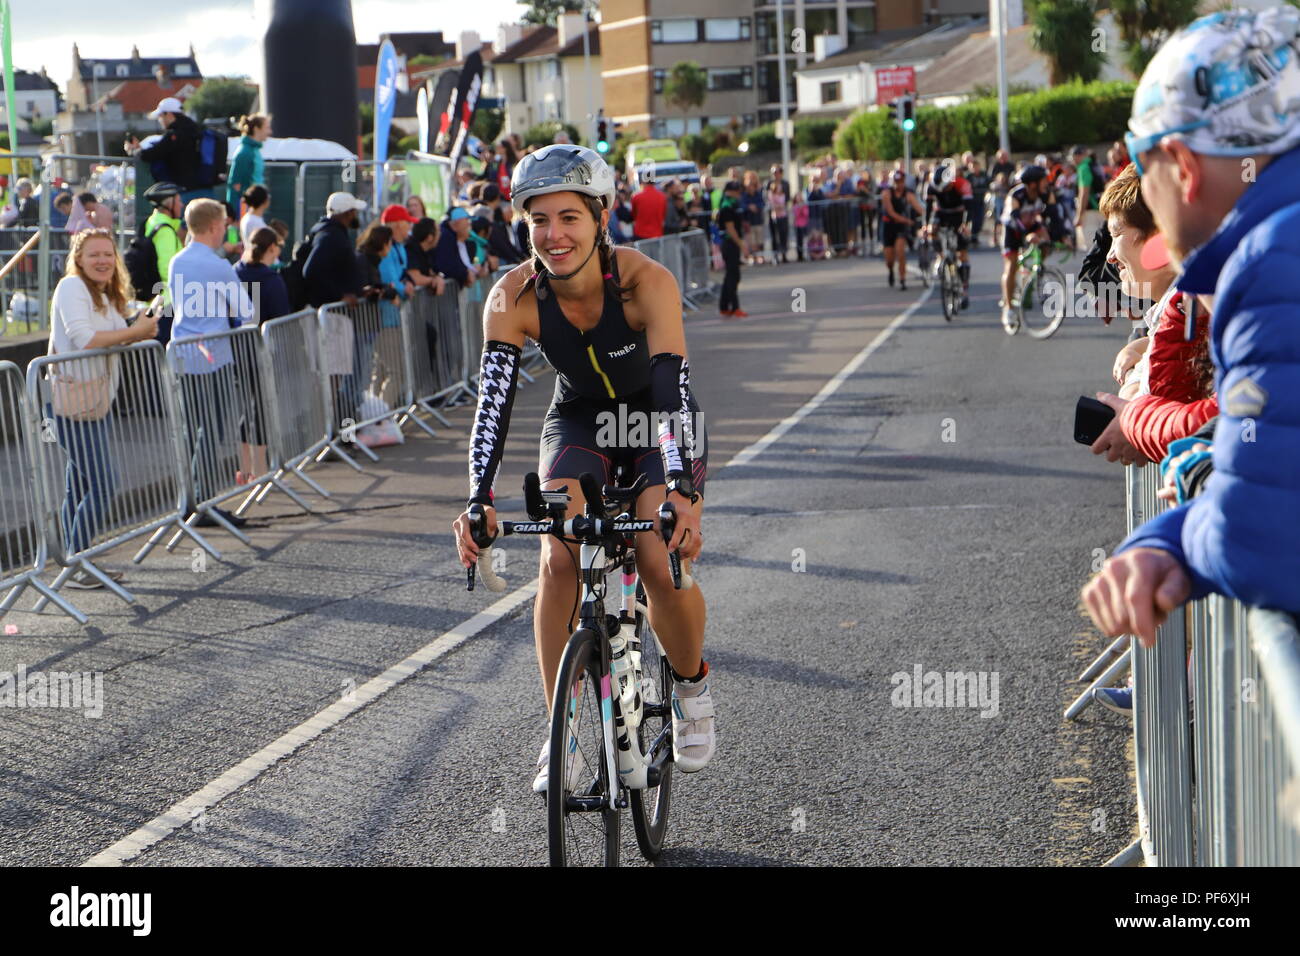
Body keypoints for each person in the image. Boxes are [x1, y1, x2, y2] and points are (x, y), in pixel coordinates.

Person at [450, 145, 715, 792]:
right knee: (558, 554)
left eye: (569, 217)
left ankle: (690, 685)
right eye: (538, 220)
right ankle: (562, 730)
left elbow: (670, 389)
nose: (553, 234)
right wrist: (478, 496)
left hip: (654, 420)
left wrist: (682, 491)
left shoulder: (645, 280)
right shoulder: (511, 295)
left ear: (601, 217)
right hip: (579, 421)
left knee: (657, 560)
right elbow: (493, 405)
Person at [1083, 6, 1300, 644]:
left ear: (1181, 164)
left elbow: (1259, 535)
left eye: (1144, 176)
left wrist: (1162, 544)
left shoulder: (1268, 263)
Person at [46, 229, 160, 588]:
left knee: (78, 485)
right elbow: (86, 339)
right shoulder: (72, 288)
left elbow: (117, 329)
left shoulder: (102, 295)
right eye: (94, 255)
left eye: (108, 255)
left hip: (95, 401)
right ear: (78, 259)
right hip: (69, 402)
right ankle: (77, 561)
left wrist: (142, 320)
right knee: (105, 482)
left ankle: (74, 558)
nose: (103, 261)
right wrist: (136, 333)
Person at [168, 198, 255, 529]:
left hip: (183, 353)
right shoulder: (218, 265)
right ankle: (201, 502)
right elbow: (245, 310)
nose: (227, 230)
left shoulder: (178, 261)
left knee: (193, 429)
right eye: (225, 225)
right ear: (215, 226)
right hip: (214, 356)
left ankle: (193, 500)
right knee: (213, 428)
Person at [999, 164, 1053, 331]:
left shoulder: (1045, 194)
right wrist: (1026, 235)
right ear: (1032, 184)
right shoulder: (1016, 195)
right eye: (1043, 180)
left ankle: (1038, 271)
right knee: (1012, 265)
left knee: (1046, 241)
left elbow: (1054, 214)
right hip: (1013, 229)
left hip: (1030, 223)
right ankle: (1008, 309)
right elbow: (1014, 219)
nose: (1046, 183)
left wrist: (1064, 235)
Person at [127, 97, 203, 196]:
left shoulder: (174, 134)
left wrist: (134, 151)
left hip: (184, 190)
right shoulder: (194, 129)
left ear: (169, 114)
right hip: (200, 187)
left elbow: (152, 154)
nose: (159, 120)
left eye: (160, 116)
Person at [302, 192, 367, 308]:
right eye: (353, 211)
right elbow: (311, 270)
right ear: (347, 213)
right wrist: (339, 296)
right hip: (332, 312)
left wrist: (360, 292)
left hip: (335, 310)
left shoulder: (332, 233)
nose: (355, 214)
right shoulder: (330, 236)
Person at [924, 162, 972, 309]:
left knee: (962, 253)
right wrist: (925, 225)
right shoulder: (931, 185)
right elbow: (928, 207)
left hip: (958, 214)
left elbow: (970, 208)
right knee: (931, 229)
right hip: (942, 213)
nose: (944, 191)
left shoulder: (961, 184)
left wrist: (966, 225)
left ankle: (963, 289)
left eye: (946, 188)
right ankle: (940, 256)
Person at [235, 227, 290, 325]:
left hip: (235, 338)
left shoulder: (234, 272)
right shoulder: (273, 280)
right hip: (262, 338)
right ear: (272, 247)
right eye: (280, 246)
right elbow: (282, 320)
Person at [881, 171, 923, 290]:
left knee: (900, 252)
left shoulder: (908, 194)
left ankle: (902, 279)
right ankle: (891, 270)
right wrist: (906, 220)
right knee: (889, 257)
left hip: (900, 227)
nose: (898, 185)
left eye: (900, 182)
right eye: (896, 182)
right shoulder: (887, 193)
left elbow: (919, 208)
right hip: (888, 225)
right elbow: (890, 212)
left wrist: (929, 215)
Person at [228, 113, 272, 213]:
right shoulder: (245, 152)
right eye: (267, 128)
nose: (270, 132)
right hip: (246, 208)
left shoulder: (254, 151)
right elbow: (235, 185)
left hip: (255, 206)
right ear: (257, 129)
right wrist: (235, 214)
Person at [715, 179, 746, 318]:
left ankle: (724, 306)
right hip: (729, 244)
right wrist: (742, 244)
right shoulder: (727, 206)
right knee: (733, 276)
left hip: (731, 244)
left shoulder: (732, 204)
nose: (738, 194)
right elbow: (730, 229)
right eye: (736, 191)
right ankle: (735, 307)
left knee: (731, 276)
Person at [433, 206, 483, 287]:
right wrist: (466, 274)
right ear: (457, 222)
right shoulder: (446, 236)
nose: (469, 223)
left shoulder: (452, 236)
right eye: (466, 219)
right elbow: (447, 264)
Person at [1071, 144, 1105, 249]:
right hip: (1101, 208)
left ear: (1078, 156)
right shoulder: (1095, 165)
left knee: (1092, 247)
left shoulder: (1083, 168)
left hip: (1090, 211)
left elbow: (1084, 192)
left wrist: (1079, 215)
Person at [404, 217, 447, 295]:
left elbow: (431, 272)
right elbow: (415, 278)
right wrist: (433, 280)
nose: (440, 234)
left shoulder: (427, 251)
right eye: (438, 231)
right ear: (429, 238)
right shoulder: (411, 249)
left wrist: (437, 278)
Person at [631, 170, 666, 241]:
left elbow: (633, 215)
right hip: (657, 234)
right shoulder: (662, 197)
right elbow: (663, 215)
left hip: (641, 234)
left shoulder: (636, 197)